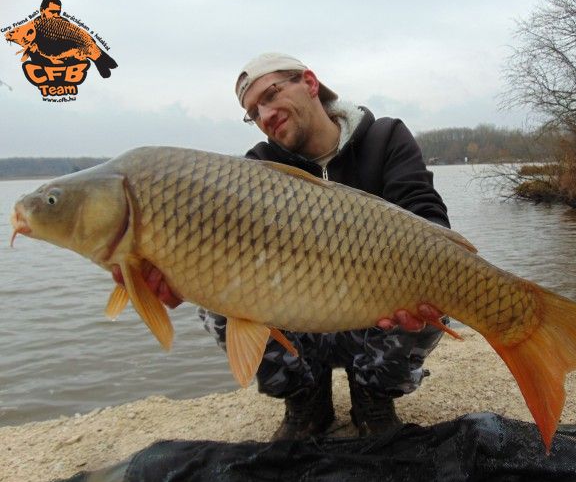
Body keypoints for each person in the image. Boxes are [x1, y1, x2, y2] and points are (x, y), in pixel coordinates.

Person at [114, 52, 452, 441]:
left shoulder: (385, 137)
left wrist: (418, 278)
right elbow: (224, 258)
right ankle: (306, 401)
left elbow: (428, 216)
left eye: (270, 95)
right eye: (253, 112)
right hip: (299, 322)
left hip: (377, 314)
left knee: (440, 284)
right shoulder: (256, 169)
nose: (265, 114)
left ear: (309, 83)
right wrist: (178, 277)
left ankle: (373, 397)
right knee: (217, 305)